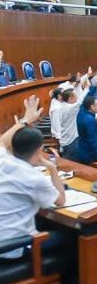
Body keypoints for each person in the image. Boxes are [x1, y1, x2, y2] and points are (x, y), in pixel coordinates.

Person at [0, 97, 73, 273]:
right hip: (13, 249)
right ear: (40, 150)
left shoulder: (3, 160)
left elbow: (3, 140)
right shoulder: (33, 177)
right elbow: (61, 201)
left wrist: (25, 120)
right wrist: (52, 169)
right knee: (72, 236)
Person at [67, 95, 97, 165]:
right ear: (92, 107)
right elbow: (93, 142)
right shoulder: (90, 121)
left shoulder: (81, 113)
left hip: (81, 149)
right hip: (90, 155)